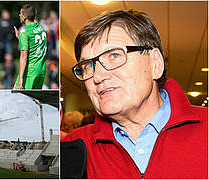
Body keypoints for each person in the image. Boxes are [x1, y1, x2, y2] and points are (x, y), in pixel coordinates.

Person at [61, 10, 208, 179]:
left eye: (114, 55)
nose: (98, 76)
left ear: (155, 63)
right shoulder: (71, 149)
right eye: (87, 66)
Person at [13, 4, 47, 90]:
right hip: (41, 72)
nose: (19, 15)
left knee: (19, 98)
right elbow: (34, 44)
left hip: (29, 73)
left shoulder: (24, 32)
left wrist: (20, 78)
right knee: (34, 100)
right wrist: (20, 39)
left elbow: (24, 56)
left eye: (20, 13)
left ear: (24, 16)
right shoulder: (41, 28)